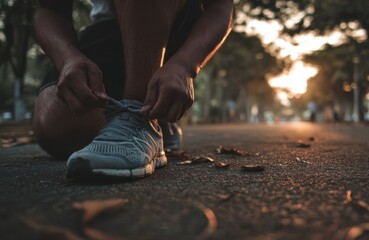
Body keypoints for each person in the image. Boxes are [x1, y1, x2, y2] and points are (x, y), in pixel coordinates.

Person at [32, 0, 233, 180]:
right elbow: (49, 9)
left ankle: (140, 117)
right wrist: (67, 59)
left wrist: (185, 65)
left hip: (170, 26)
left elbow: (221, 5)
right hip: (106, 29)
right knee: (54, 125)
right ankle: (158, 115)